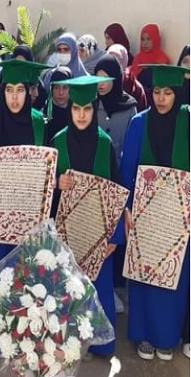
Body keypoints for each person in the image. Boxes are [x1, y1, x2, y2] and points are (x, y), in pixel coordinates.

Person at [117, 65, 189, 361]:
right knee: (145, 277)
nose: (161, 99)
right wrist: (126, 208)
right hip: (144, 215)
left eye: (168, 93)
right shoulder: (139, 123)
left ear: (178, 94)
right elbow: (127, 169)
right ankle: (144, 335)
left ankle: (167, 338)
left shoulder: (188, 122)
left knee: (174, 279)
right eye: (157, 92)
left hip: (178, 217)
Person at [50, 75, 122, 357]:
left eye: (87, 108)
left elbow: (117, 191)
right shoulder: (57, 141)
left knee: (97, 289)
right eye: (76, 108)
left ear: (94, 109)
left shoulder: (105, 144)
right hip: (66, 234)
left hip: (98, 236)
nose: (81, 115)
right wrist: (57, 182)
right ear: (70, 109)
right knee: (67, 289)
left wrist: (115, 237)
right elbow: (44, 190)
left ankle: (100, 345)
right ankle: (70, 345)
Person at [0, 59, 51, 265]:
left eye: (20, 90)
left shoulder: (38, 122)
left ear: (28, 92)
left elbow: (48, 164)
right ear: (2, 92)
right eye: (9, 90)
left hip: (30, 213)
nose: (14, 97)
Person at [95, 54, 138, 163]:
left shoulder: (129, 107)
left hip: (119, 167)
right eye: (98, 78)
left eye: (106, 78)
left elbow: (133, 144)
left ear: (116, 78)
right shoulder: (91, 104)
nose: (100, 83)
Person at [130, 24, 171, 94]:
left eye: (149, 39)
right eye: (142, 39)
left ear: (155, 39)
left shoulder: (163, 59)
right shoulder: (138, 58)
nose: (145, 43)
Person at [107, 44, 148, 112]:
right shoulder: (102, 83)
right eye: (110, 58)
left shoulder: (134, 85)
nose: (114, 62)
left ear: (124, 60)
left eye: (118, 59)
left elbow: (142, 110)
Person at [43, 66, 73, 141]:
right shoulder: (45, 114)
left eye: (65, 88)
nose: (61, 92)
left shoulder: (76, 113)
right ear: (52, 89)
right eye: (56, 87)